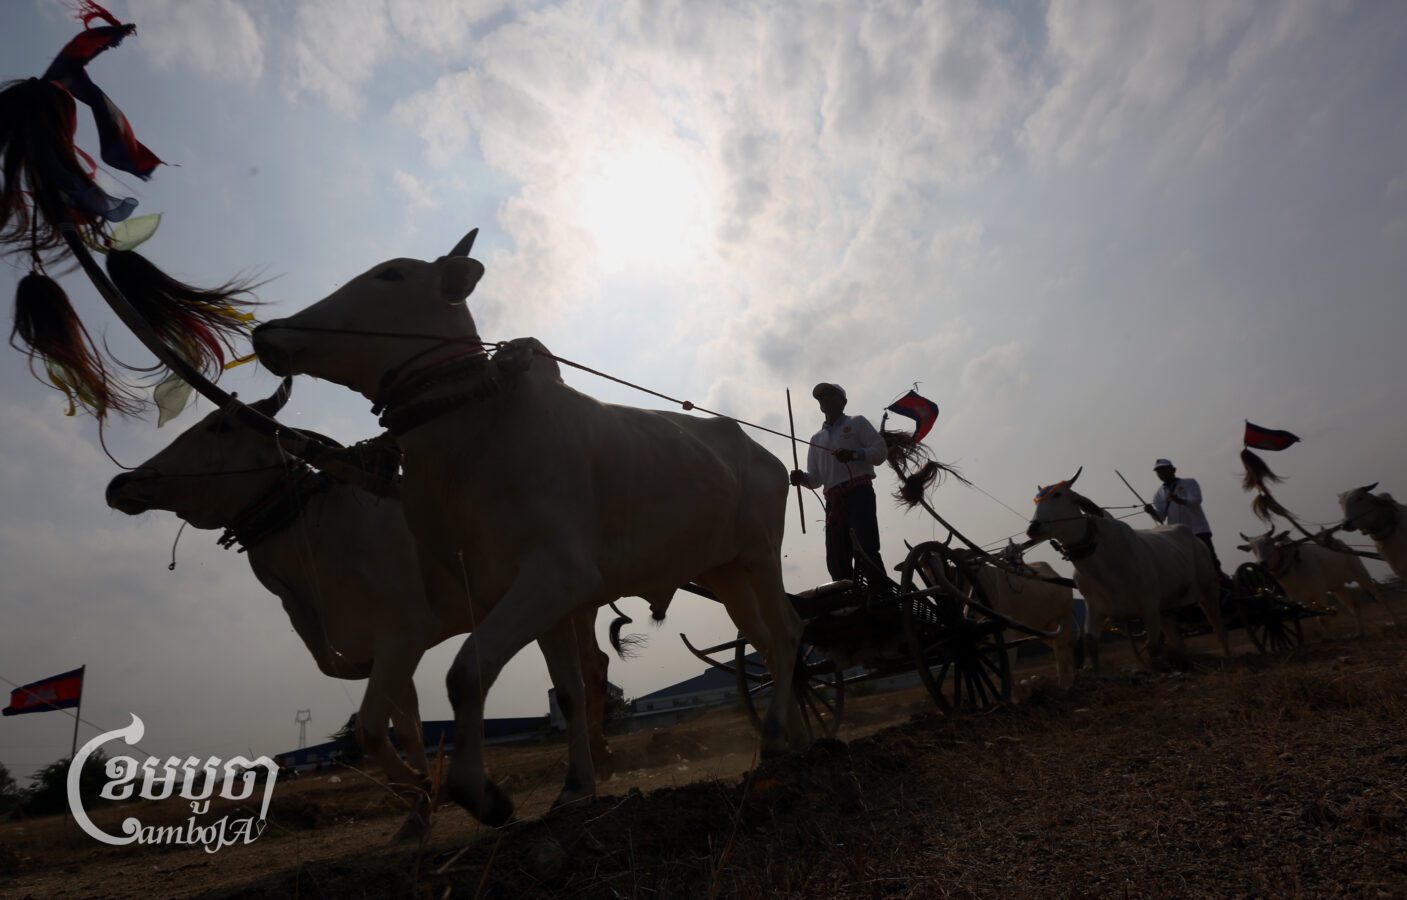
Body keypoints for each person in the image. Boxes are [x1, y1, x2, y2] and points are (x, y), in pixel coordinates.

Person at [789, 383, 890, 587]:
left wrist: (853, 454)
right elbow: (816, 480)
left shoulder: (857, 423)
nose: (824, 399)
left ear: (843, 401)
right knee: (836, 557)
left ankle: (882, 595)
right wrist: (801, 478)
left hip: (859, 493)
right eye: (821, 397)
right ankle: (847, 598)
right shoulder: (816, 438)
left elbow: (880, 452)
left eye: (829, 395)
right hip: (833, 502)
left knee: (865, 548)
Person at [1144, 458, 1224, 574]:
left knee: (1210, 560)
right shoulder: (1158, 494)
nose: (1162, 473)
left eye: (1164, 470)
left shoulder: (1189, 482)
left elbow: (1196, 500)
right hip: (1178, 536)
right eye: (1159, 471)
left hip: (1198, 530)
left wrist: (1180, 500)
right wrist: (1152, 512)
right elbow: (1161, 518)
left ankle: (1222, 581)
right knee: (1188, 566)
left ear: (1173, 470)